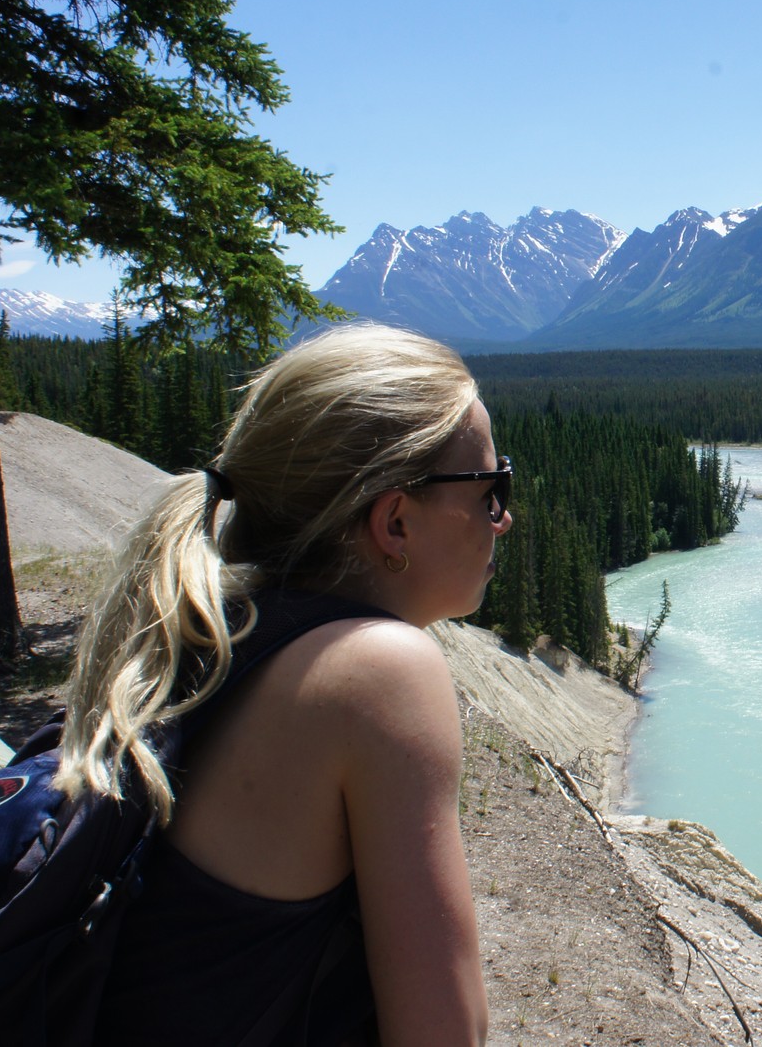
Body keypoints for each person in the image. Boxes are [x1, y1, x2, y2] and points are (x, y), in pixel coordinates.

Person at [54, 326, 504, 1045]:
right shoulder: (380, 672)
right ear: (394, 521)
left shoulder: (216, 625)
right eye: (490, 489)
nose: (502, 519)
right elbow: (445, 1034)